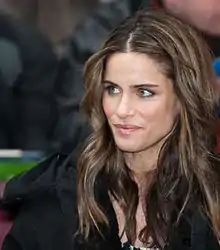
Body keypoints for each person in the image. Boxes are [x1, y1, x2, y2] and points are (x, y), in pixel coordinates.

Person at [1, 9, 220, 250]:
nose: (122, 109)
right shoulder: (58, 198)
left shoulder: (211, 195)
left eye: (144, 92)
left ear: (183, 98)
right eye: (112, 90)